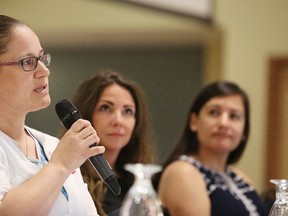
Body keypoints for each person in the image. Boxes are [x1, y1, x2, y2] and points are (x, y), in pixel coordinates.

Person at [0, 15, 104, 215]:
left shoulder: (53, 145)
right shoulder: (62, 155)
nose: (44, 71)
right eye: (28, 62)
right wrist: (60, 164)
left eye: (41, 58)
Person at [156, 81, 269, 216]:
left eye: (234, 116)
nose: (224, 123)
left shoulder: (242, 178)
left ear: (244, 131)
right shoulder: (182, 172)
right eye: (214, 113)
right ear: (194, 121)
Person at [71, 70, 156, 216]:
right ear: (86, 115)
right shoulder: (71, 179)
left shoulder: (139, 182)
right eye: (105, 108)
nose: (118, 121)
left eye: (127, 111)